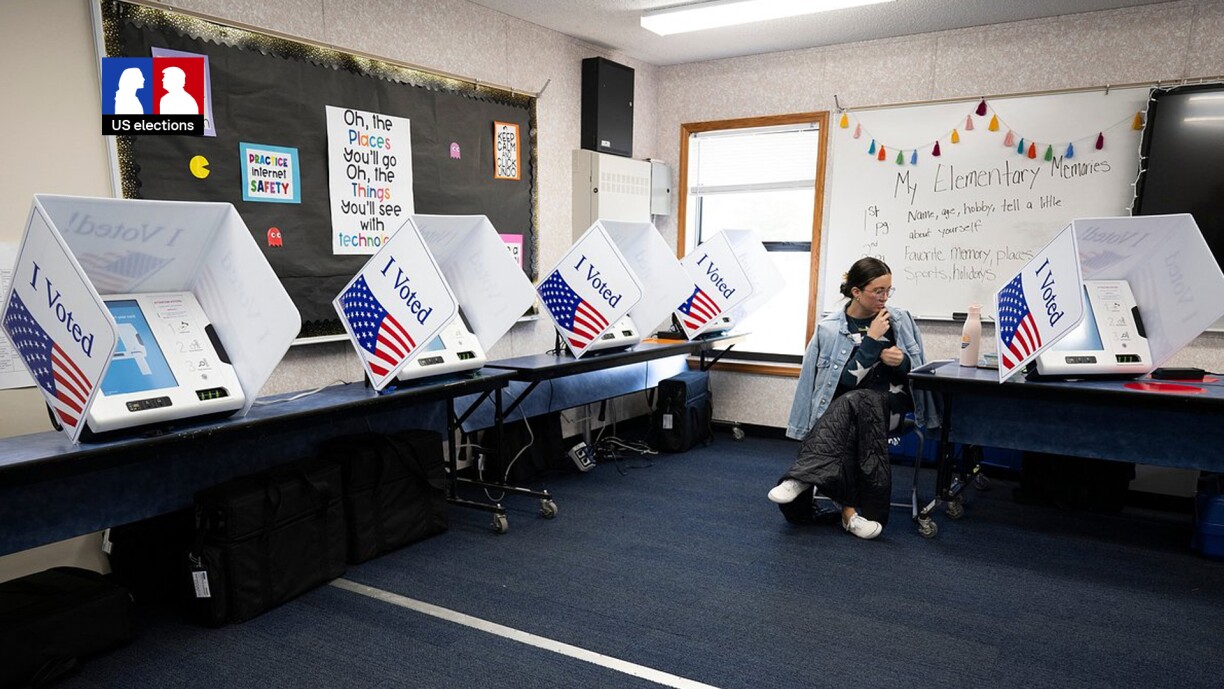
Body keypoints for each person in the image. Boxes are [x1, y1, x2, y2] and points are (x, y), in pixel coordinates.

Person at [768, 257, 938, 539]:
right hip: (845, 415)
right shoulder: (830, 328)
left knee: (859, 400)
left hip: (890, 408)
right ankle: (850, 515)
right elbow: (837, 382)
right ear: (856, 292)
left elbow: (918, 371)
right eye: (878, 291)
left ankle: (802, 477)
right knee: (852, 412)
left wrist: (903, 362)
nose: (885, 298)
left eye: (889, 291)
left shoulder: (900, 320)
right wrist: (871, 342)